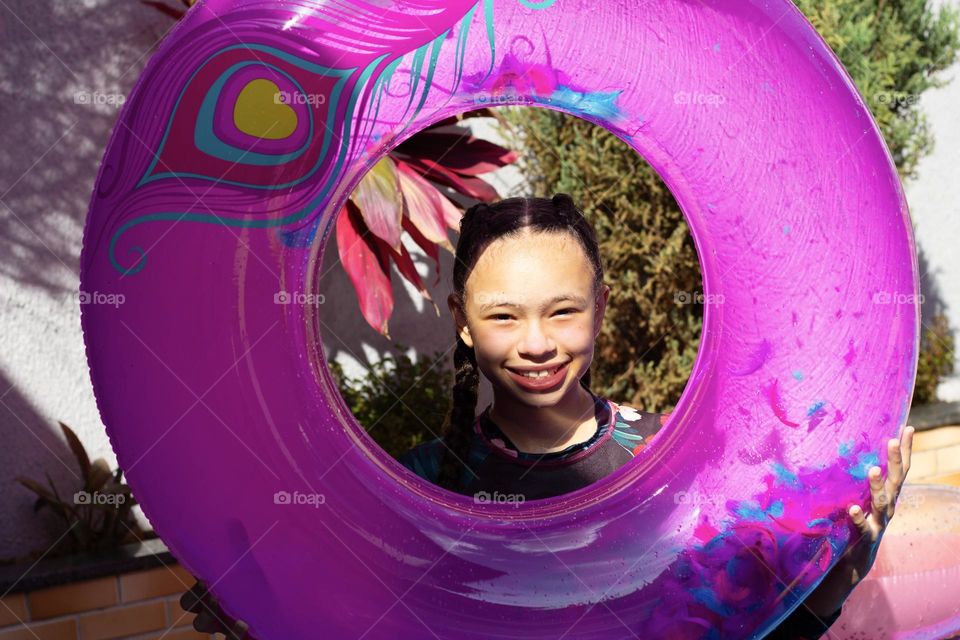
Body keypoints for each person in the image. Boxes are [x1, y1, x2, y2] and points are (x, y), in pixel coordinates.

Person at [180, 194, 915, 639]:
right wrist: (265, 615)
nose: (536, 343)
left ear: (600, 309)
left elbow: (735, 630)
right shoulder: (415, 489)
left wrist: (830, 583)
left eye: (563, 311)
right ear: (462, 321)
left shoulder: (675, 462)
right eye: (503, 316)